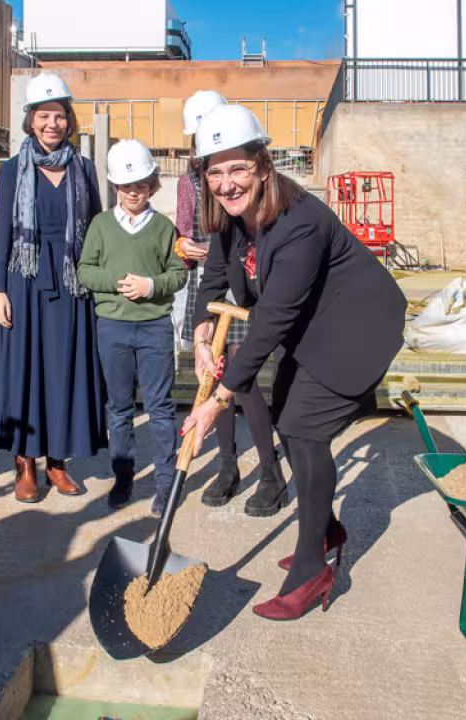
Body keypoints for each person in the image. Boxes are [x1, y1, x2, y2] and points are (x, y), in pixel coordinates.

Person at [180, 105, 406, 621]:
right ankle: (323, 528)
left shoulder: (301, 223)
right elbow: (215, 273)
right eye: (214, 170)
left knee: (305, 426)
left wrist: (217, 402)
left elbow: (271, 321)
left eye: (237, 167)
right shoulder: (232, 218)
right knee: (286, 416)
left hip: (355, 327)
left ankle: (312, 569)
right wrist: (199, 329)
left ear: (263, 165)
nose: (226, 182)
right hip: (310, 325)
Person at [0, 73, 107, 503]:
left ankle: (58, 461)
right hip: (25, 279)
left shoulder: (85, 168)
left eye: (59, 116)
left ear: (69, 120)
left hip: (73, 282)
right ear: (31, 121)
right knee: (25, 370)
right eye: (44, 116)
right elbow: (2, 231)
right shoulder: (12, 170)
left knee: (64, 370)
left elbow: (97, 229)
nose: (52, 124)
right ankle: (26, 464)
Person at [175, 91, 286, 517]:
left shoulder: (243, 181)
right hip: (210, 285)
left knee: (243, 380)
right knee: (211, 375)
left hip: (243, 286)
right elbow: (183, 232)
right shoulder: (192, 181)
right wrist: (184, 246)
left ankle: (270, 470)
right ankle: (226, 466)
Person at [78, 140, 187, 512]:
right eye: (126, 186)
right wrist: (119, 281)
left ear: (153, 185)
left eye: (141, 185)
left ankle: (165, 484)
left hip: (154, 326)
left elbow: (178, 274)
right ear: (115, 187)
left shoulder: (163, 228)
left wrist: (151, 286)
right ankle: (123, 479)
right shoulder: (101, 226)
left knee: (160, 408)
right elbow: (85, 270)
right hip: (113, 327)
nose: (133, 192)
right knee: (120, 407)